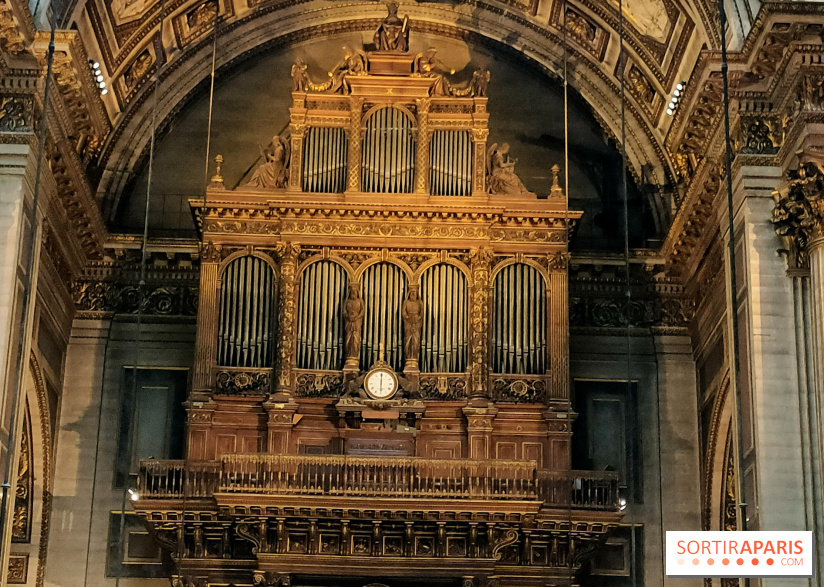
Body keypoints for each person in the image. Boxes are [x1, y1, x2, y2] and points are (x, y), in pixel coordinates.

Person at [343, 283, 365, 366]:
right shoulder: (347, 302)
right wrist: (348, 316)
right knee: (348, 339)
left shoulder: (360, 302)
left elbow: (362, 312)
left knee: (356, 339)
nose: (353, 294)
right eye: (351, 292)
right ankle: (350, 357)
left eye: (354, 293)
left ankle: (354, 356)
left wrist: (356, 317)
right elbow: (344, 311)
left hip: (356, 323)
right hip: (349, 323)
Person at [401, 285, 423, 369]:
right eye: (411, 294)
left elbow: (421, 314)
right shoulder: (406, 303)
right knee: (408, 340)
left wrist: (417, 319)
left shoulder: (419, 303)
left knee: (416, 340)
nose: (413, 295)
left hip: (416, 322)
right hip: (408, 322)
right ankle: (408, 357)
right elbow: (403, 313)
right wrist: (408, 318)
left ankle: (414, 357)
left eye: (414, 294)